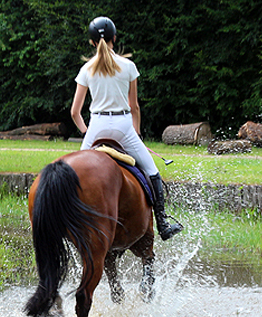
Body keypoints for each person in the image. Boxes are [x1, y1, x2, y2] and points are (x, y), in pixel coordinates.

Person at [70, 16, 183, 240]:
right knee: (152, 172)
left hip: (96, 127)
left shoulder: (86, 69)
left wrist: (86, 132)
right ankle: (162, 224)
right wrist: (137, 133)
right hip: (123, 126)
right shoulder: (129, 66)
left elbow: (74, 112)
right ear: (114, 38)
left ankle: (71, 223)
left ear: (92, 42)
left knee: (74, 176)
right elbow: (135, 107)